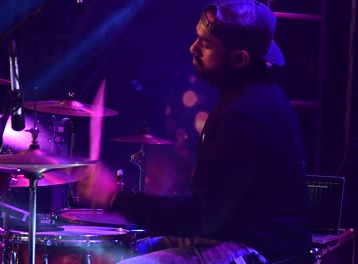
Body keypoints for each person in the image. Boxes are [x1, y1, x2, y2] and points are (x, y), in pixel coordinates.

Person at [77, 0, 313, 263]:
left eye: (207, 44)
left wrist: (114, 196)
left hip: (262, 251)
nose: (193, 48)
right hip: (234, 233)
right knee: (116, 253)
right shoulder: (252, 96)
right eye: (197, 38)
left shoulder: (245, 116)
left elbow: (200, 218)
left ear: (239, 58)